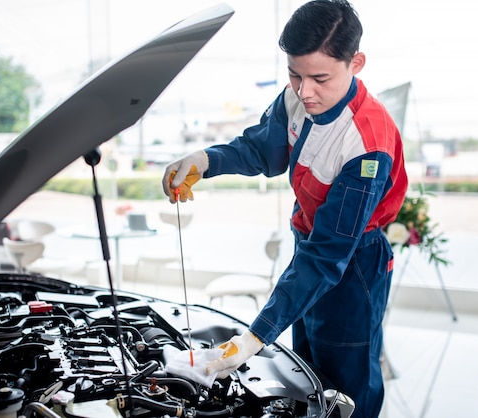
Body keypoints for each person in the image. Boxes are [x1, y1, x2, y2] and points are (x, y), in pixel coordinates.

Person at [162, 1, 408, 416]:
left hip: (353, 266)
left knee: (346, 389)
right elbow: (262, 148)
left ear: (356, 63)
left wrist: (255, 337)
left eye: (319, 77)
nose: (304, 90)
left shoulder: (367, 145)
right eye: (294, 74)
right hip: (309, 245)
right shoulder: (298, 96)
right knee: (306, 375)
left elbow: (329, 253)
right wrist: (205, 160)